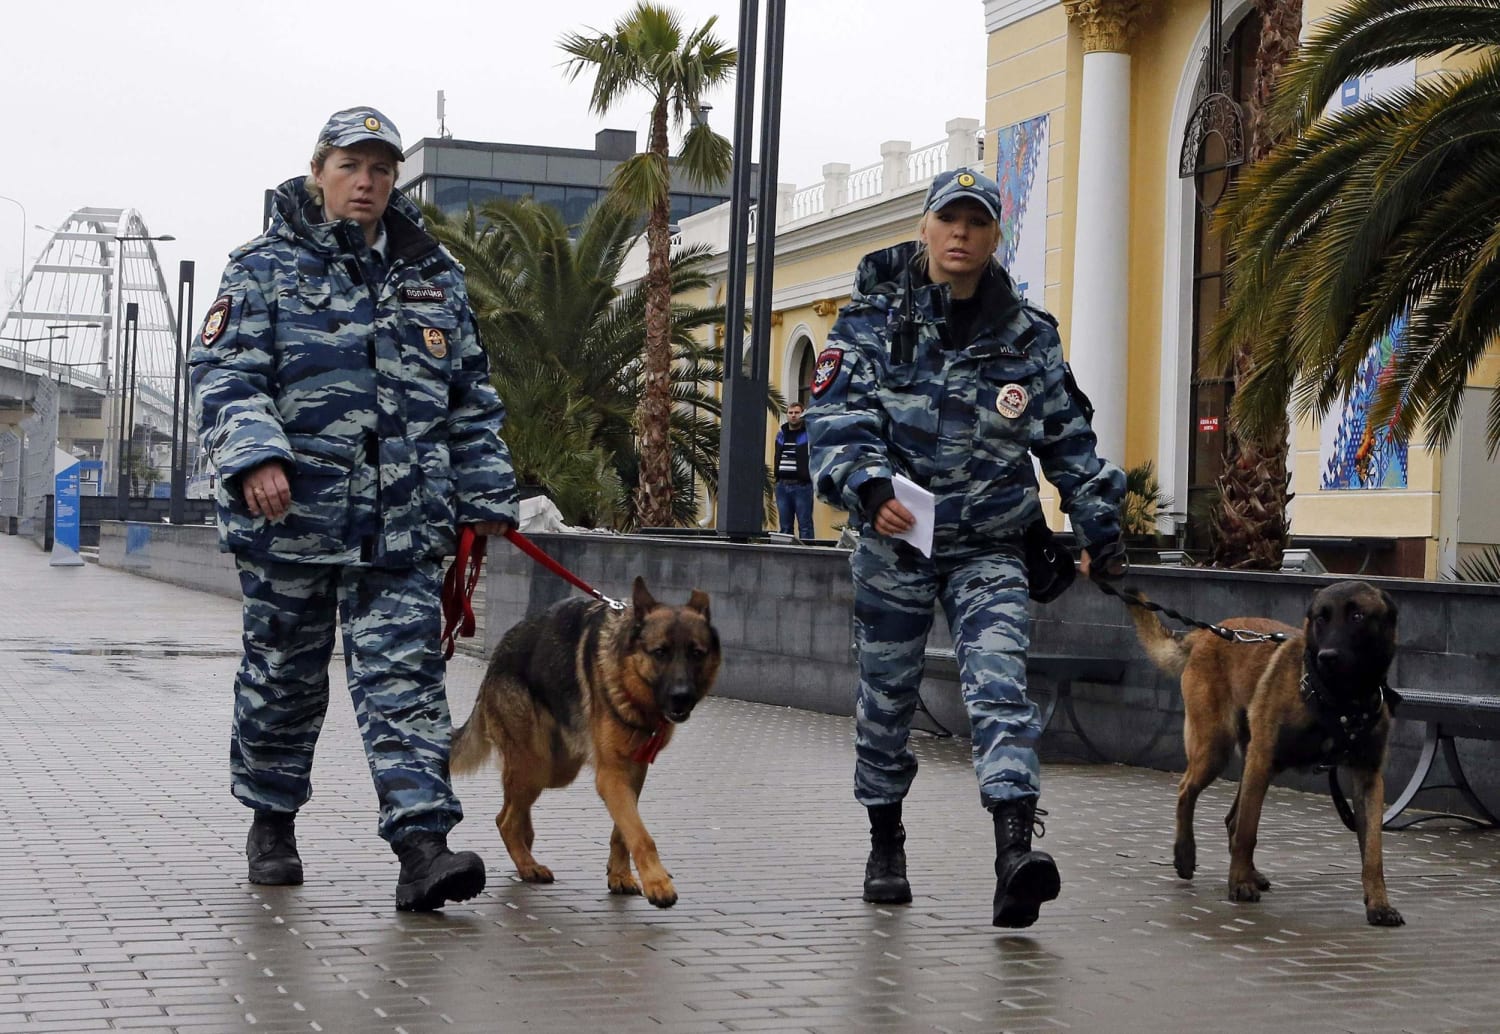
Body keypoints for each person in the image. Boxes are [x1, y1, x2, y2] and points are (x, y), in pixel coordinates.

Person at [189, 106, 518, 912]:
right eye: (350, 166)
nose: (365, 182)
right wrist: (257, 455)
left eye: (380, 168)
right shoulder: (261, 268)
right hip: (290, 524)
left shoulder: (431, 276)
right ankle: (272, 820)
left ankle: (423, 849)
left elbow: (471, 400)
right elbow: (227, 374)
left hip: (401, 528)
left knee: (406, 685)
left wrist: (485, 497)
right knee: (283, 681)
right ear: (318, 172)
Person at [805, 168, 1127, 928]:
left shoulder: (1026, 335)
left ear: (994, 235)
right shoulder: (872, 320)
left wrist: (1100, 530)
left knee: (999, 687)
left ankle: (1014, 851)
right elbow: (835, 416)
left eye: (977, 222)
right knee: (885, 701)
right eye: (948, 219)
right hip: (896, 546)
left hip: (990, 550)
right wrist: (871, 487)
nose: (961, 234)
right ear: (924, 228)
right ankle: (886, 840)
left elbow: (1069, 443)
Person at [773, 403, 816, 540]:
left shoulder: (808, 435)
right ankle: (785, 559)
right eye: (790, 412)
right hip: (782, 486)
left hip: (802, 486)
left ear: (802, 414)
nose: (793, 415)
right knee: (785, 527)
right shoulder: (781, 434)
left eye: (796, 412)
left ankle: (808, 557)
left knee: (805, 526)